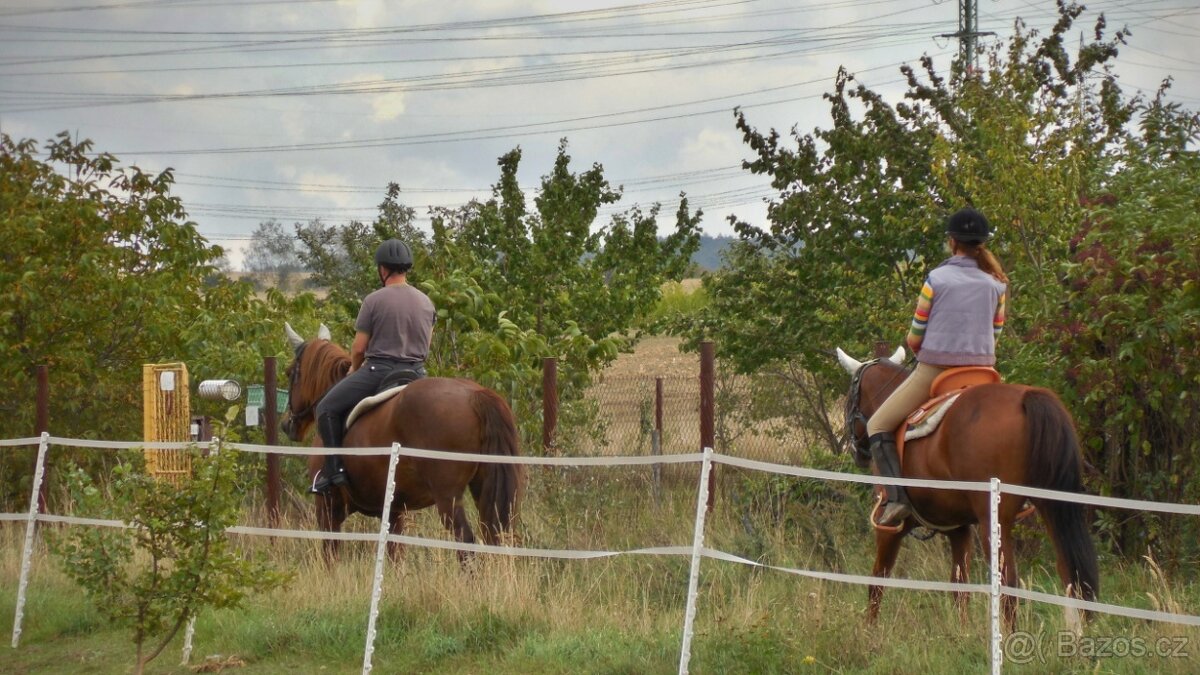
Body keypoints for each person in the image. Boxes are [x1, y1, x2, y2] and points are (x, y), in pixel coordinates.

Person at [866, 207, 1008, 525]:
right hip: (983, 374)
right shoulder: (997, 285)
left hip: (936, 371)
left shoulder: (937, 279)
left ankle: (897, 500)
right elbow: (995, 333)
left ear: (952, 242)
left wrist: (921, 348)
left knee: (877, 424)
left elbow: (916, 335)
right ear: (982, 244)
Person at [310, 238, 436, 494]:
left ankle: (334, 472)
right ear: (405, 269)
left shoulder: (373, 300)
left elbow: (358, 348)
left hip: (379, 371)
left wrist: (354, 369)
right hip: (417, 373)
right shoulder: (427, 302)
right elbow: (427, 345)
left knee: (326, 407)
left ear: (383, 269)